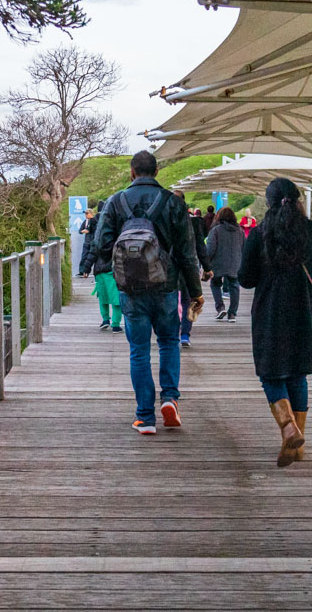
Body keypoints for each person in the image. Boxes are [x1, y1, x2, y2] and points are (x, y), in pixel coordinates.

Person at [95, 151, 204, 435]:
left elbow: (101, 245)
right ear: (156, 172)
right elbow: (187, 253)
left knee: (139, 350)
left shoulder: (115, 202)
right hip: (167, 286)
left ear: (132, 172)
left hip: (130, 288)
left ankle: (145, 416)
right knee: (169, 342)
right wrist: (195, 291)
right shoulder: (172, 202)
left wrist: (122, 259)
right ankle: (169, 399)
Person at [238, 178, 312, 466]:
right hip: (306, 311)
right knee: (297, 373)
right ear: (298, 200)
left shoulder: (260, 233)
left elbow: (245, 278)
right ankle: (297, 445)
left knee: (270, 373)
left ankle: (288, 428)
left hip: (270, 312)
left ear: (268, 203)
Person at [173, 190, 213, 347]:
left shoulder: (162, 220)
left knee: (171, 301)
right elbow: (200, 247)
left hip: (168, 269)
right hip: (190, 266)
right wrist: (207, 268)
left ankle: (173, 332)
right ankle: (185, 334)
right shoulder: (194, 222)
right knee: (189, 301)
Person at [206, 206, 244, 322]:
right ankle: (232, 314)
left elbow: (211, 248)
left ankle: (220, 307)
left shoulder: (216, 230)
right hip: (235, 264)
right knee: (234, 287)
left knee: (215, 284)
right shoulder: (240, 231)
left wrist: (206, 263)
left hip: (218, 263)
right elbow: (244, 247)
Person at [77, 209, 97, 277]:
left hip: (93, 242)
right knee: (84, 257)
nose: (86, 215)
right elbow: (79, 231)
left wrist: (89, 230)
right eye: (85, 214)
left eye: (87, 213)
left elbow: (95, 230)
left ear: (91, 213)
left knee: (93, 257)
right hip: (86, 242)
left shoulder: (94, 221)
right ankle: (82, 271)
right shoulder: (85, 222)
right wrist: (82, 231)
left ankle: (94, 271)